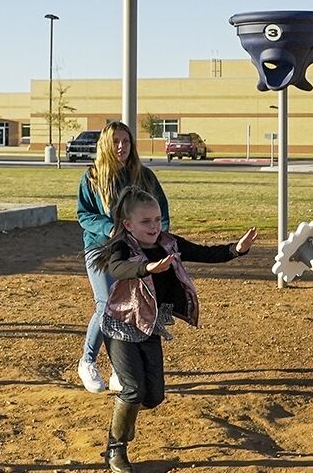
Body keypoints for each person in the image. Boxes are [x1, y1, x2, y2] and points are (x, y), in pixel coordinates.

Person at [96, 185, 256, 472]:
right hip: (121, 325)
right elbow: (117, 268)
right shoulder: (122, 246)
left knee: (154, 396)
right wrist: (147, 268)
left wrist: (236, 249)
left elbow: (203, 253)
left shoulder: (169, 243)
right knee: (134, 390)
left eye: (157, 219)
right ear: (128, 225)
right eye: (146, 221)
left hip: (150, 327)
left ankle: (126, 412)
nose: (154, 226)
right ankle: (115, 449)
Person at [76, 121, 171, 393]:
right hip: (101, 250)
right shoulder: (93, 177)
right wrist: (109, 228)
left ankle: (120, 368)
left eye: (126, 141)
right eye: (116, 141)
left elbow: (162, 213)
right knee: (106, 302)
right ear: (105, 145)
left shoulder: (145, 176)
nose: (121, 146)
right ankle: (87, 361)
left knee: (130, 306)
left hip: (135, 252)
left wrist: (157, 239)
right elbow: (84, 214)